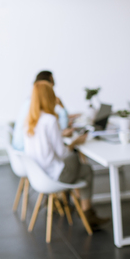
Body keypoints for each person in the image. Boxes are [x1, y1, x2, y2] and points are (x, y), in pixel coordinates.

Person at [23, 80, 109, 229]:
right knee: (85, 168)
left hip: (39, 175)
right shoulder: (50, 120)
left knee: (77, 162)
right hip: (55, 175)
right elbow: (62, 153)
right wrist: (75, 142)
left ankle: (80, 205)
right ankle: (87, 213)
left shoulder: (29, 121)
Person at [12, 70, 75, 151]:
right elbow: (62, 126)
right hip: (27, 150)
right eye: (51, 83)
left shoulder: (30, 103)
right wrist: (62, 107)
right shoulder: (45, 116)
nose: (53, 86)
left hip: (25, 151)